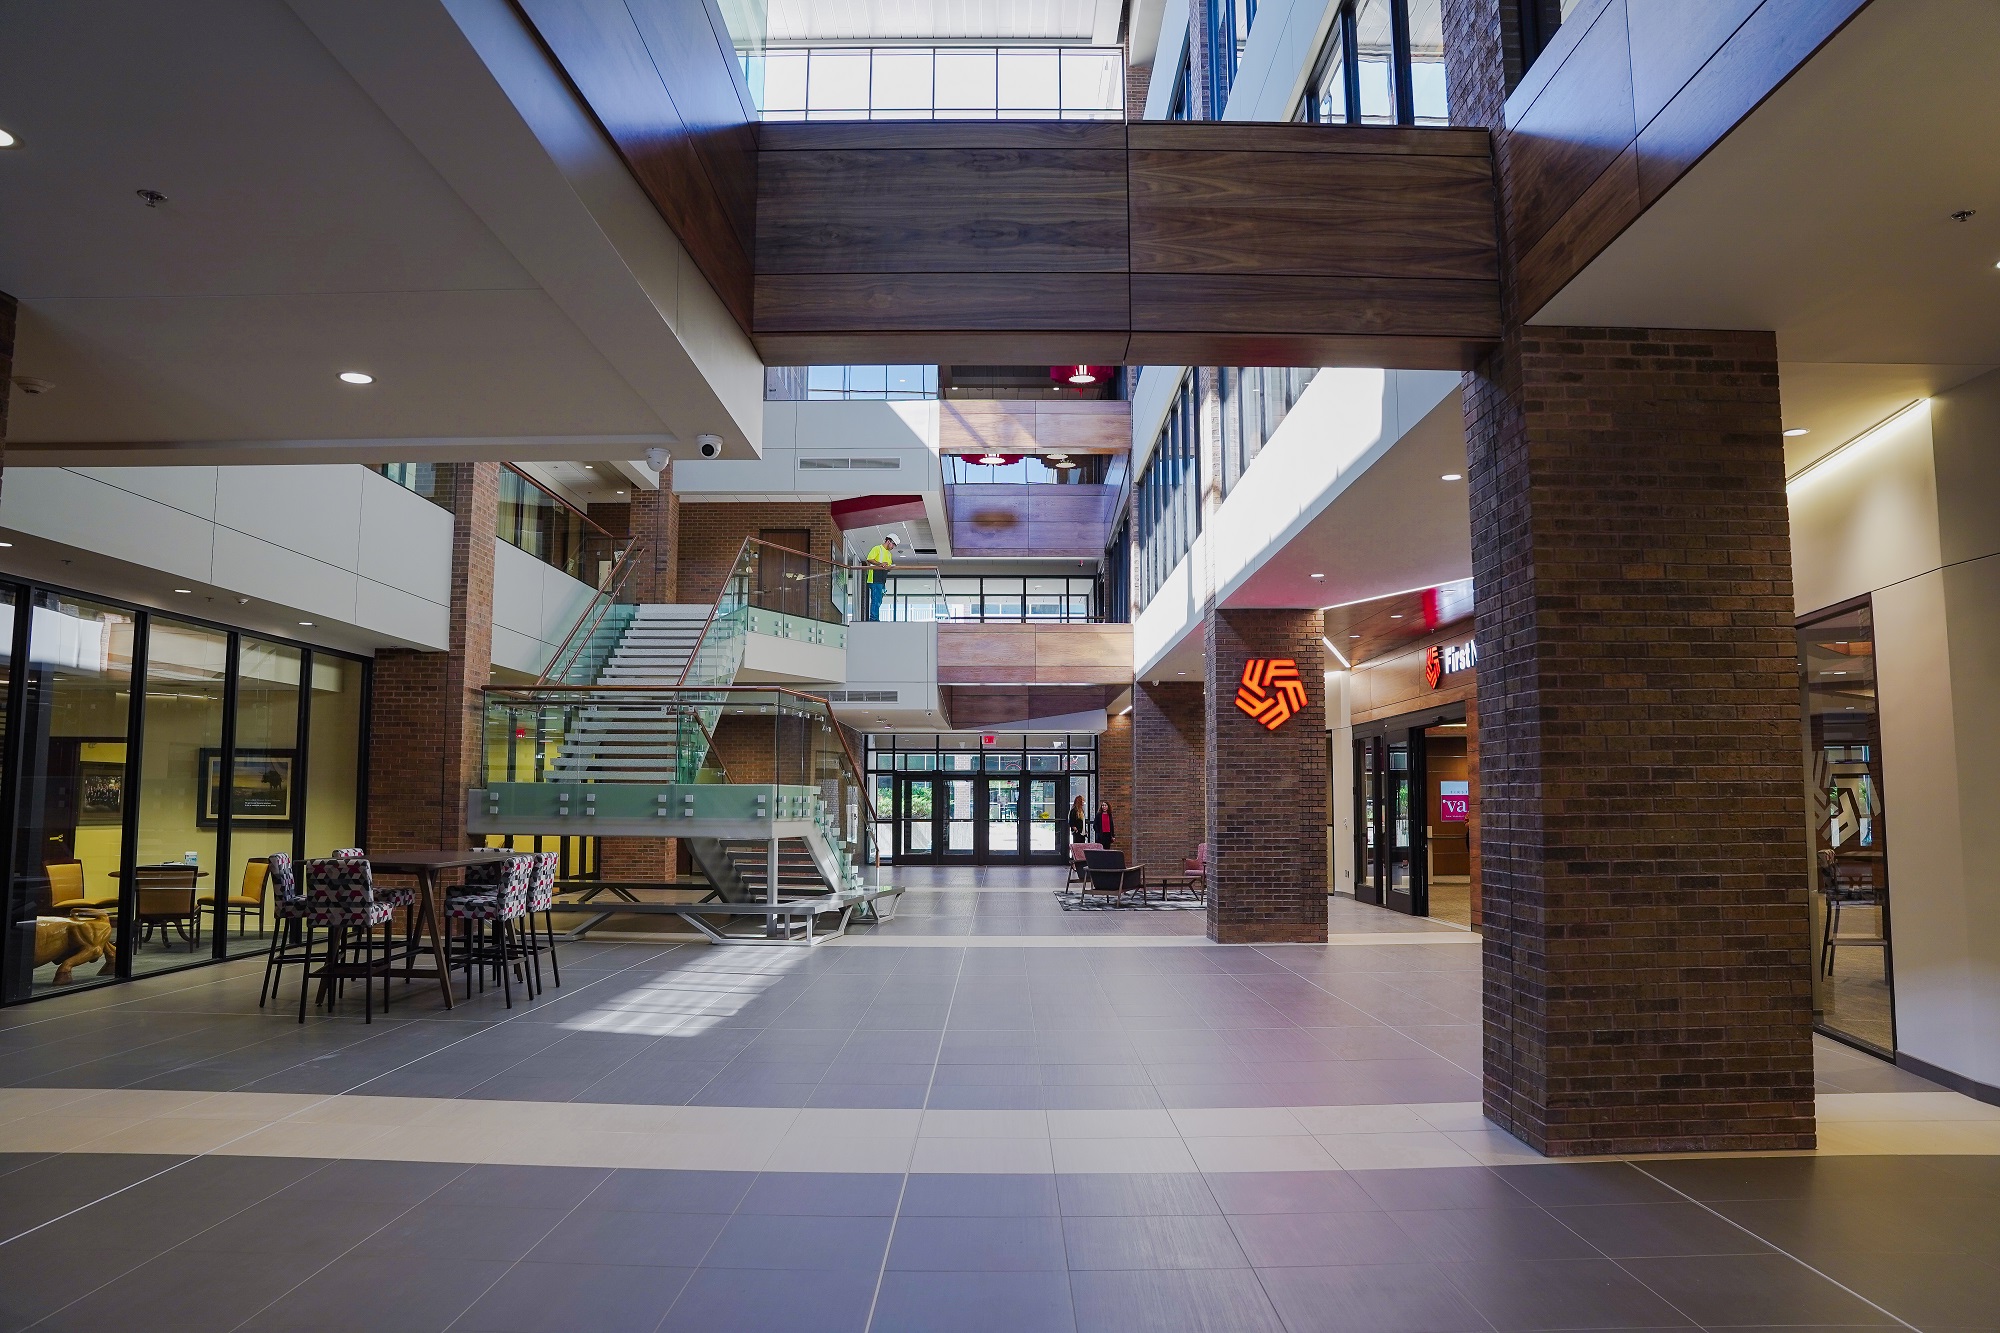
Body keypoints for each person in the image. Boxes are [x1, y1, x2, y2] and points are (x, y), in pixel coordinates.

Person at [863, 533, 899, 621]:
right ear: (888, 541)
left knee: (878, 600)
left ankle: (875, 618)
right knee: (876, 600)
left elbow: (887, 566)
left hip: (882, 579)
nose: (893, 547)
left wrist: (889, 567)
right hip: (874, 578)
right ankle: (874, 619)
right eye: (893, 544)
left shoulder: (889, 554)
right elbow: (869, 559)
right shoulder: (877, 548)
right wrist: (880, 564)